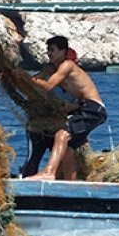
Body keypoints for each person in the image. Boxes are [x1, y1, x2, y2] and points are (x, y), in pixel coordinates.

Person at [25, 36, 106, 181]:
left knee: (62, 134)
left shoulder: (67, 65)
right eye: (48, 50)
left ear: (63, 51)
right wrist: (40, 74)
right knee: (68, 148)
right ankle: (70, 183)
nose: (49, 53)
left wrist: (27, 78)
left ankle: (49, 172)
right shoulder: (55, 68)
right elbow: (40, 81)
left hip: (93, 108)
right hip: (83, 107)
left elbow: (49, 85)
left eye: (53, 50)